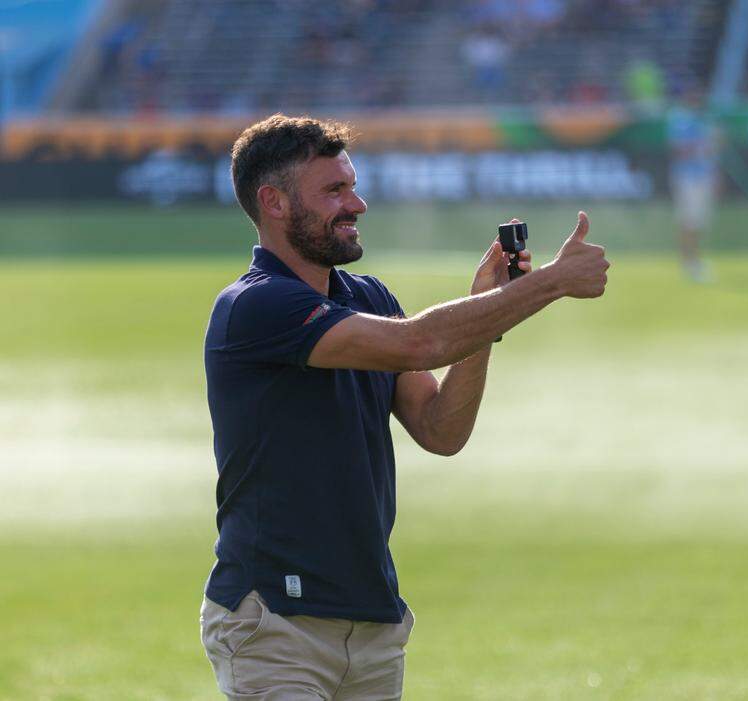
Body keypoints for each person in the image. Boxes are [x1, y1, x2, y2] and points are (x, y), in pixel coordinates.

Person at [199, 114, 609, 700]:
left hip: (372, 623)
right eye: (334, 191)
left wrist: (486, 311)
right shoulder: (254, 306)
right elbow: (418, 343)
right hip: (275, 623)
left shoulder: (367, 298)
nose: (357, 204)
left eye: (353, 185)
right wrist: (547, 284)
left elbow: (441, 429)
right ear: (275, 203)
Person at [666, 86, 718, 282]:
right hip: (687, 177)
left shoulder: (704, 121)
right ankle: (689, 262)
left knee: (698, 221)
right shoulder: (681, 120)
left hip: (703, 176)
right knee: (688, 221)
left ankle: (694, 260)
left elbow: (712, 153)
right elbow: (678, 149)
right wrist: (701, 146)